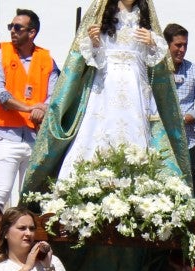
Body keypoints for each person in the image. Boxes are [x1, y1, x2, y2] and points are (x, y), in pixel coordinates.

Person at [58, 0, 167, 179]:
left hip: (134, 85)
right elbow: (95, 60)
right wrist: (95, 43)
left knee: (133, 130)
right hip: (106, 84)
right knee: (99, 128)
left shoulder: (143, 19)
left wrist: (152, 43)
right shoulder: (104, 17)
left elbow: (153, 59)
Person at [0, 8, 56, 206]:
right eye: (11, 26)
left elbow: (55, 94)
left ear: (31, 32)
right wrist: (29, 108)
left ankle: (25, 237)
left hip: (36, 138)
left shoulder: (47, 60)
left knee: (30, 199)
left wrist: (43, 108)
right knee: (0, 194)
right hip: (8, 137)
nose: (12, 31)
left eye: (17, 27)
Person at [163, 23, 195, 200]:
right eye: (178, 45)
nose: (182, 50)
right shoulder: (155, 71)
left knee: (189, 197)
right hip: (161, 144)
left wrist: (189, 118)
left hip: (188, 143)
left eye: (185, 45)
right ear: (167, 45)